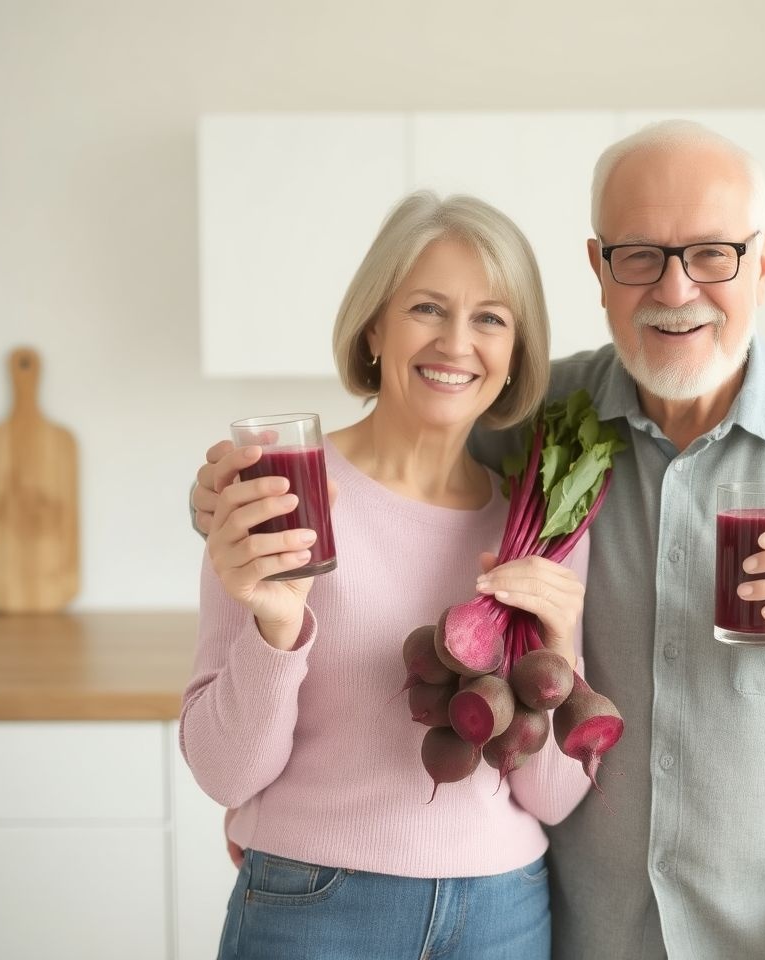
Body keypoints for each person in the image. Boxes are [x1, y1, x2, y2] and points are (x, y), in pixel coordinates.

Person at [191, 121, 765, 960]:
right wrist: (224, 502)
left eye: (714, 254)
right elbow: (396, 484)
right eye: (641, 255)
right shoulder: (532, 421)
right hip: (584, 935)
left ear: (763, 263)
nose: (677, 288)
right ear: (599, 269)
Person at [181, 191, 595, 960]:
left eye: (491, 319)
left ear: (514, 355)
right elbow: (224, 772)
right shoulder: (282, 489)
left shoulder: (537, 528)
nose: (456, 343)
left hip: (504, 914)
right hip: (312, 909)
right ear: (375, 326)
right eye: (428, 309)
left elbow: (555, 798)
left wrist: (560, 651)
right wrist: (275, 629)